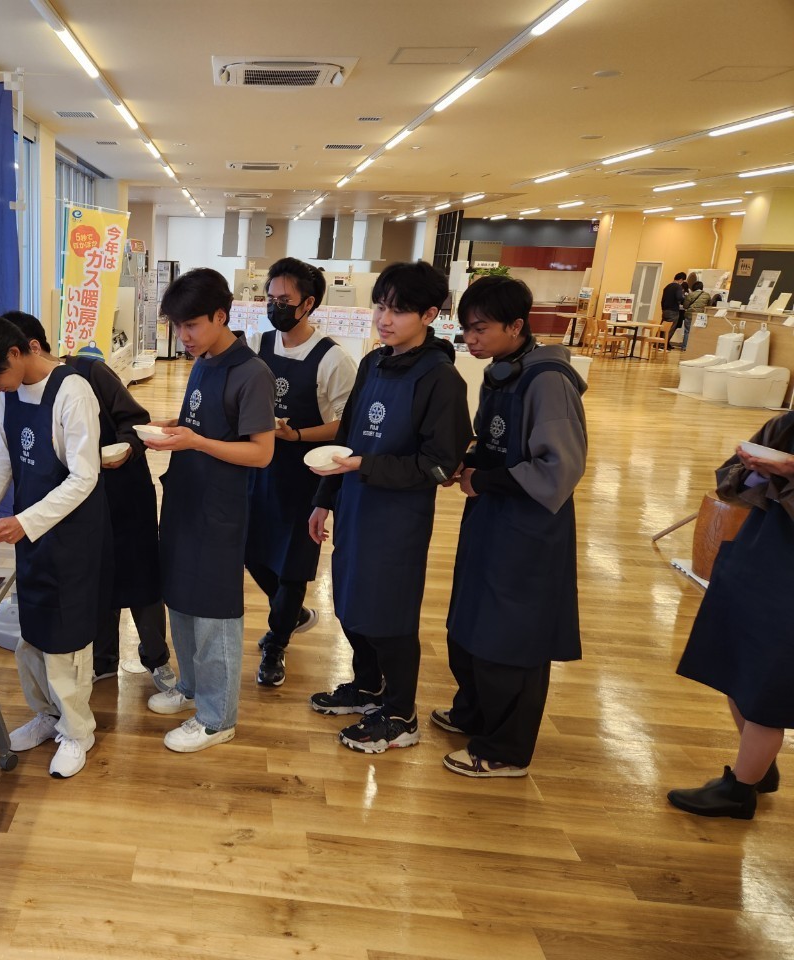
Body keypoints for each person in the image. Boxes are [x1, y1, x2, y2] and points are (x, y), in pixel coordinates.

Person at [308, 260, 470, 754]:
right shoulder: (374, 363)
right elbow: (347, 436)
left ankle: (401, 714)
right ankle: (368, 686)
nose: (384, 319)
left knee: (390, 614)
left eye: (398, 311)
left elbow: (439, 465)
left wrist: (366, 466)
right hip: (355, 504)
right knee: (350, 602)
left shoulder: (441, 379)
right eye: (380, 306)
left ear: (429, 315)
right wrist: (324, 501)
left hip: (398, 518)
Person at [436, 275, 587, 778]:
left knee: (512, 633)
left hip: (529, 527)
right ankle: (475, 713)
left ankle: (506, 749)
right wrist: (466, 462)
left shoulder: (547, 380)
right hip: (492, 518)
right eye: (465, 329)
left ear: (516, 326)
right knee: (472, 616)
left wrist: (485, 479)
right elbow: (492, 442)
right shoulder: (502, 372)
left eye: (480, 329)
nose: (470, 339)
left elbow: (559, 468)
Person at [0, 314, 106, 779]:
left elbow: (85, 477)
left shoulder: (72, 391)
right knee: (33, 629)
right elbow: (2, 461)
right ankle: (47, 715)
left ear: (15, 353)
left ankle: (78, 730)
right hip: (29, 530)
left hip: (70, 531)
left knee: (66, 639)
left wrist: (25, 521)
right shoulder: (7, 393)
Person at [2, 310, 175, 692]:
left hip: (124, 493)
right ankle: (104, 660)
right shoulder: (21, 394)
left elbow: (136, 419)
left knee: (142, 581)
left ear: (30, 347)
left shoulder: (88, 374)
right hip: (79, 505)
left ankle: (156, 658)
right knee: (98, 583)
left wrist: (125, 449)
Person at [142, 268, 275, 753]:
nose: (184, 335)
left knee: (215, 609)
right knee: (180, 596)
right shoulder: (203, 360)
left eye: (192, 325)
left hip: (220, 509)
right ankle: (192, 686)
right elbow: (202, 424)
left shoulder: (252, 373)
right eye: (178, 326)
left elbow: (261, 452)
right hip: (185, 497)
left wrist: (196, 441)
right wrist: (175, 427)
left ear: (221, 316)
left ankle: (218, 718)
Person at [668, 412, 794, 819]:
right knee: (735, 662)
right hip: (758, 552)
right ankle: (756, 766)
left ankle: (740, 792)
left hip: (785, 574)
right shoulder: (786, 426)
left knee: (767, 682)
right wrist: (755, 469)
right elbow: (730, 483)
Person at [245, 258, 356, 687]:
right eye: (270, 298)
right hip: (259, 466)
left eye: (284, 300)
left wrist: (296, 434)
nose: (274, 306)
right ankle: (290, 613)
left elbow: (345, 425)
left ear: (307, 304)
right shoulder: (257, 344)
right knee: (252, 550)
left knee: (293, 563)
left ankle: (276, 645)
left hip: (306, 472)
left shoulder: (332, 358)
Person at [662, 271, 687, 348]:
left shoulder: (667, 286)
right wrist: (684, 297)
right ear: (681, 279)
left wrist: (663, 309)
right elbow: (679, 297)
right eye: (683, 281)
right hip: (673, 310)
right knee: (670, 328)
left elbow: (663, 299)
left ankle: (657, 343)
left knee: (663, 327)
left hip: (665, 310)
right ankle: (663, 344)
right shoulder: (678, 287)